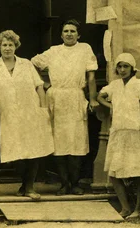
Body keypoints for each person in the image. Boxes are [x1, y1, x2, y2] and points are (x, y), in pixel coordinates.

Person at [0, 30, 54, 200]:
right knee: (14, 152)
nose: (7, 48)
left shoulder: (26, 64)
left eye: (10, 45)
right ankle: (24, 184)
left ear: (16, 46)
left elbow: (39, 86)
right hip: (10, 116)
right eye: (4, 45)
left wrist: (43, 109)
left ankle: (29, 187)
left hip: (31, 112)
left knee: (33, 150)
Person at [31, 19, 98, 195]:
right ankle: (64, 183)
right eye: (66, 31)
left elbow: (91, 77)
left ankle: (75, 183)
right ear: (61, 35)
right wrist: (44, 84)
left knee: (76, 142)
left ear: (79, 34)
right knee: (59, 143)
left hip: (76, 97)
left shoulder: (85, 49)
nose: (69, 34)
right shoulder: (54, 51)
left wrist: (92, 99)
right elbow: (33, 63)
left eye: (73, 31)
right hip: (57, 99)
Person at [96, 53, 140, 219]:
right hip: (119, 131)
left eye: (126, 66)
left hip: (136, 132)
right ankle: (125, 208)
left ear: (132, 68)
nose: (122, 70)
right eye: (120, 66)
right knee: (114, 173)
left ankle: (138, 209)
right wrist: (112, 106)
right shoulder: (114, 85)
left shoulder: (139, 84)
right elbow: (99, 96)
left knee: (139, 172)